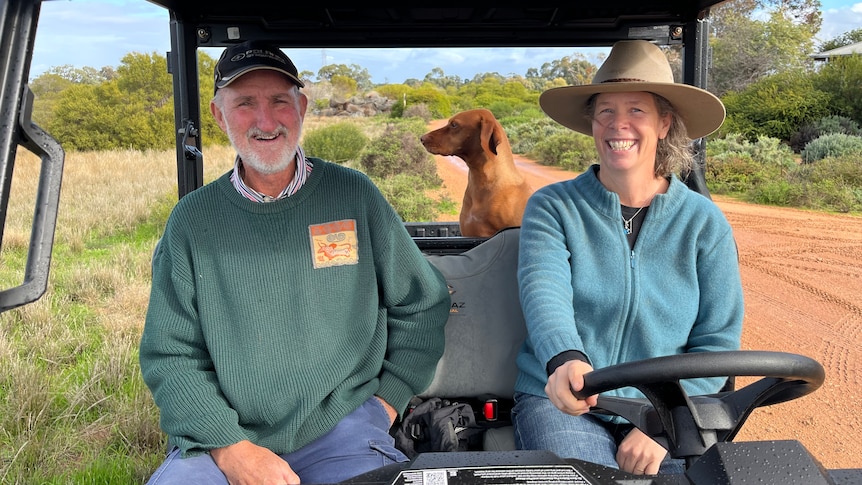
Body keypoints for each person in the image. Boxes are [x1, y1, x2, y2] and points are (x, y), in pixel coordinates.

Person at [139, 40, 451, 485]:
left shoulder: (353, 195)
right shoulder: (192, 221)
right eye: (245, 103)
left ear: (301, 106)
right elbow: (171, 354)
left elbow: (422, 303)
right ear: (218, 114)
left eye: (279, 101)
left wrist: (387, 401)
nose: (265, 121)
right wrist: (231, 448)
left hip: (342, 427)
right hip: (224, 437)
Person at [511, 39, 745, 475]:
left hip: (669, 409)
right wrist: (564, 359)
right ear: (593, 123)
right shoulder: (553, 206)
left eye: (636, 110)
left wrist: (661, 426)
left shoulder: (703, 222)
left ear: (663, 123)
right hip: (569, 401)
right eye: (606, 111)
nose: (619, 125)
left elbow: (716, 342)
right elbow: (544, 289)